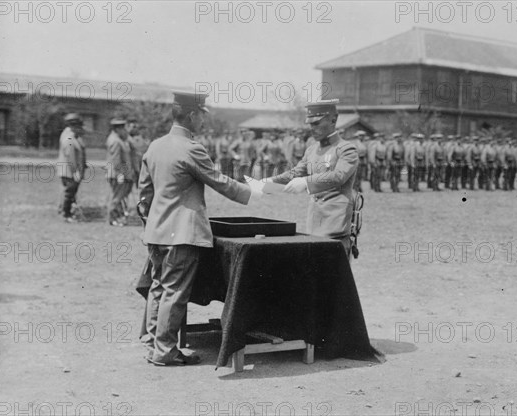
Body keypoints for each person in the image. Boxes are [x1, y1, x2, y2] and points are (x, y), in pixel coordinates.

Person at [138, 91, 262, 366]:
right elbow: (219, 181)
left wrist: (150, 224)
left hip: (157, 231)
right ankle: (165, 351)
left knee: (158, 288)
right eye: (202, 117)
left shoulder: (155, 146)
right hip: (181, 233)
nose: (203, 123)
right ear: (192, 115)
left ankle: (152, 343)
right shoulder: (191, 148)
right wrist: (251, 191)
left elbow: (144, 194)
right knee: (174, 292)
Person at [269, 99, 358, 258]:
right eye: (310, 124)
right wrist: (269, 182)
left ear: (333, 120)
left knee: (335, 276)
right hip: (314, 221)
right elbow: (296, 172)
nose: (312, 128)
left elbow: (339, 176)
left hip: (335, 221)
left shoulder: (346, 149)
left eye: (317, 123)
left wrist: (305, 182)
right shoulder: (311, 150)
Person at [57, 113, 86, 223]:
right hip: (69, 171)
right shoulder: (69, 137)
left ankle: (66, 212)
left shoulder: (71, 135)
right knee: (69, 193)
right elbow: (70, 156)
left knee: (69, 193)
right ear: (74, 126)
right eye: (78, 126)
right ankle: (66, 214)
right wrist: (75, 171)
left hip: (68, 170)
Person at [106, 118, 134, 226]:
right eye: (122, 129)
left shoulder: (119, 139)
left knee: (119, 197)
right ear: (117, 129)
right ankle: (113, 218)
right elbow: (116, 159)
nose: (125, 131)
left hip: (120, 173)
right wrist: (120, 174)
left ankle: (117, 217)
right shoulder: (115, 141)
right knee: (117, 197)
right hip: (117, 174)